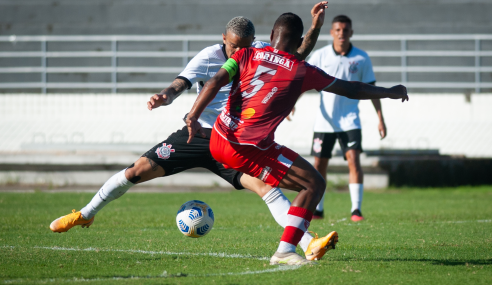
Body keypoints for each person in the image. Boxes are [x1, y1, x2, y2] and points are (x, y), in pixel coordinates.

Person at [49, 2, 337, 262]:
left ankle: (307, 243)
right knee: (135, 171)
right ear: (223, 39)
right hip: (197, 134)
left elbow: (296, 55)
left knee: (267, 189)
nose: (240, 52)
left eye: (245, 45)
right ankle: (85, 215)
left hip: (233, 141)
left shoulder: (259, 50)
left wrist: (314, 27)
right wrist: (164, 96)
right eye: (235, 46)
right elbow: (180, 84)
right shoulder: (208, 57)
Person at [185, 12, 408, 265]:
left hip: (219, 139)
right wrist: (389, 91)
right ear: (300, 40)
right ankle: (285, 251)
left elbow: (213, 82)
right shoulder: (302, 70)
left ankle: (300, 245)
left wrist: (193, 116)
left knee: (284, 185)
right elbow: (351, 88)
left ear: (270, 36)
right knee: (314, 184)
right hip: (248, 147)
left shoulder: (244, 54)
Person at [307, 15, 384, 221]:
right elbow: (301, 80)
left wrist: (380, 117)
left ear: (351, 32)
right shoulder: (320, 56)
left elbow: (371, 90)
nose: (342, 33)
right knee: (319, 164)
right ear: (332, 32)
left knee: (353, 160)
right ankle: (318, 210)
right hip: (325, 121)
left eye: (346, 30)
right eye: (338, 30)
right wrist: (290, 104)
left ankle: (356, 210)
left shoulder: (361, 58)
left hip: (350, 120)